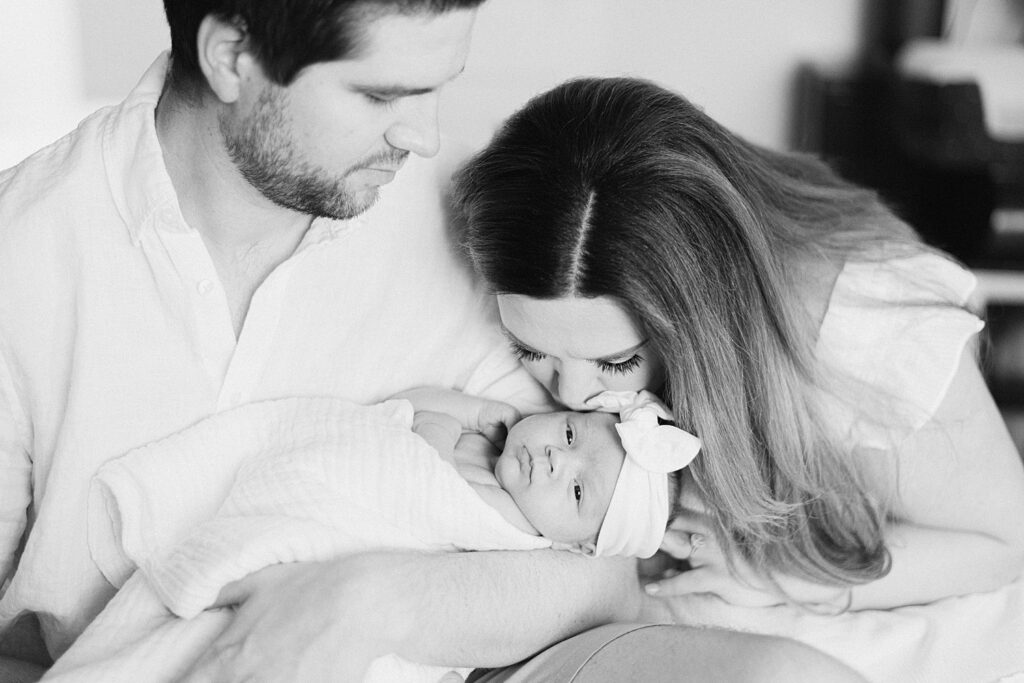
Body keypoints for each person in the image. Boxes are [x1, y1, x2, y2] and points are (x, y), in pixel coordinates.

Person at [0, 2, 866, 682]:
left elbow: (596, 560)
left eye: (437, 87)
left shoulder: (453, 222)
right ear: (234, 56)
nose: (424, 137)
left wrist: (373, 602)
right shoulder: (28, 257)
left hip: (471, 653)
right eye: (382, 94)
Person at [448, 76, 1024, 675]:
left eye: (616, 362)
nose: (568, 396)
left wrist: (781, 577)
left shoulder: (860, 332)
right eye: (530, 348)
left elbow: (1006, 543)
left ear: (704, 318)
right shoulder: (565, 228)